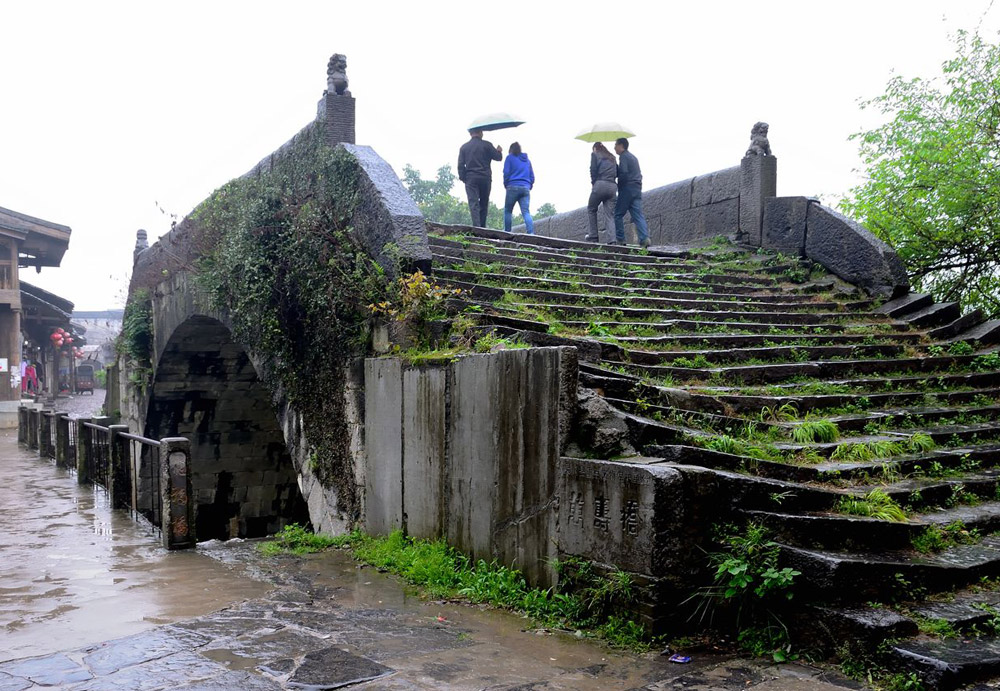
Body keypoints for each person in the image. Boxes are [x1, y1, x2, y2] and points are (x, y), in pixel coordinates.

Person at [457, 128, 502, 227]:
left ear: (470, 134)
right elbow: (498, 158)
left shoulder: (464, 147)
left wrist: (464, 178)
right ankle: (483, 227)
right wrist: (499, 151)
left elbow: (460, 166)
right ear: (481, 133)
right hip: (485, 177)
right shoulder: (487, 145)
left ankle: (477, 227)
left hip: (471, 178)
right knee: (484, 202)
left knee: (473, 203)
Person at [613, 137, 651, 248]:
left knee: (618, 214)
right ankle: (644, 238)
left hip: (627, 189)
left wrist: (618, 183)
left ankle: (620, 239)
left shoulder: (623, 156)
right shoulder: (634, 157)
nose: (614, 147)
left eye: (616, 145)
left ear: (621, 146)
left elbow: (624, 173)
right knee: (638, 215)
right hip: (637, 189)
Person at [586, 142, 617, 242]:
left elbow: (593, 170)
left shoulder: (594, 154)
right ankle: (612, 240)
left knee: (591, 208)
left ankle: (593, 235)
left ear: (595, 148)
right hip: (612, 186)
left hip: (600, 184)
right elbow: (617, 171)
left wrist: (594, 183)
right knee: (610, 214)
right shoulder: (612, 157)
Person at [502, 142, 535, 234]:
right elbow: (532, 176)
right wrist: (529, 185)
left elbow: (506, 173)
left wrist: (506, 183)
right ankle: (531, 233)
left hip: (512, 186)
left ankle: (507, 232)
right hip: (525, 188)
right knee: (526, 212)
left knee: (508, 211)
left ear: (510, 150)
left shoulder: (509, 158)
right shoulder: (527, 160)